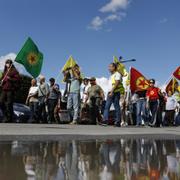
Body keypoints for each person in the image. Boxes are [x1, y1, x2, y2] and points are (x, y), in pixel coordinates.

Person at [102, 63, 122, 127]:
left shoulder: (117, 74)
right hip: (110, 92)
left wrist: (112, 91)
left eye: (110, 67)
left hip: (115, 92)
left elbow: (117, 83)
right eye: (108, 67)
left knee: (116, 107)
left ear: (114, 67)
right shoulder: (111, 76)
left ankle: (118, 121)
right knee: (107, 107)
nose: (109, 68)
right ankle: (105, 121)